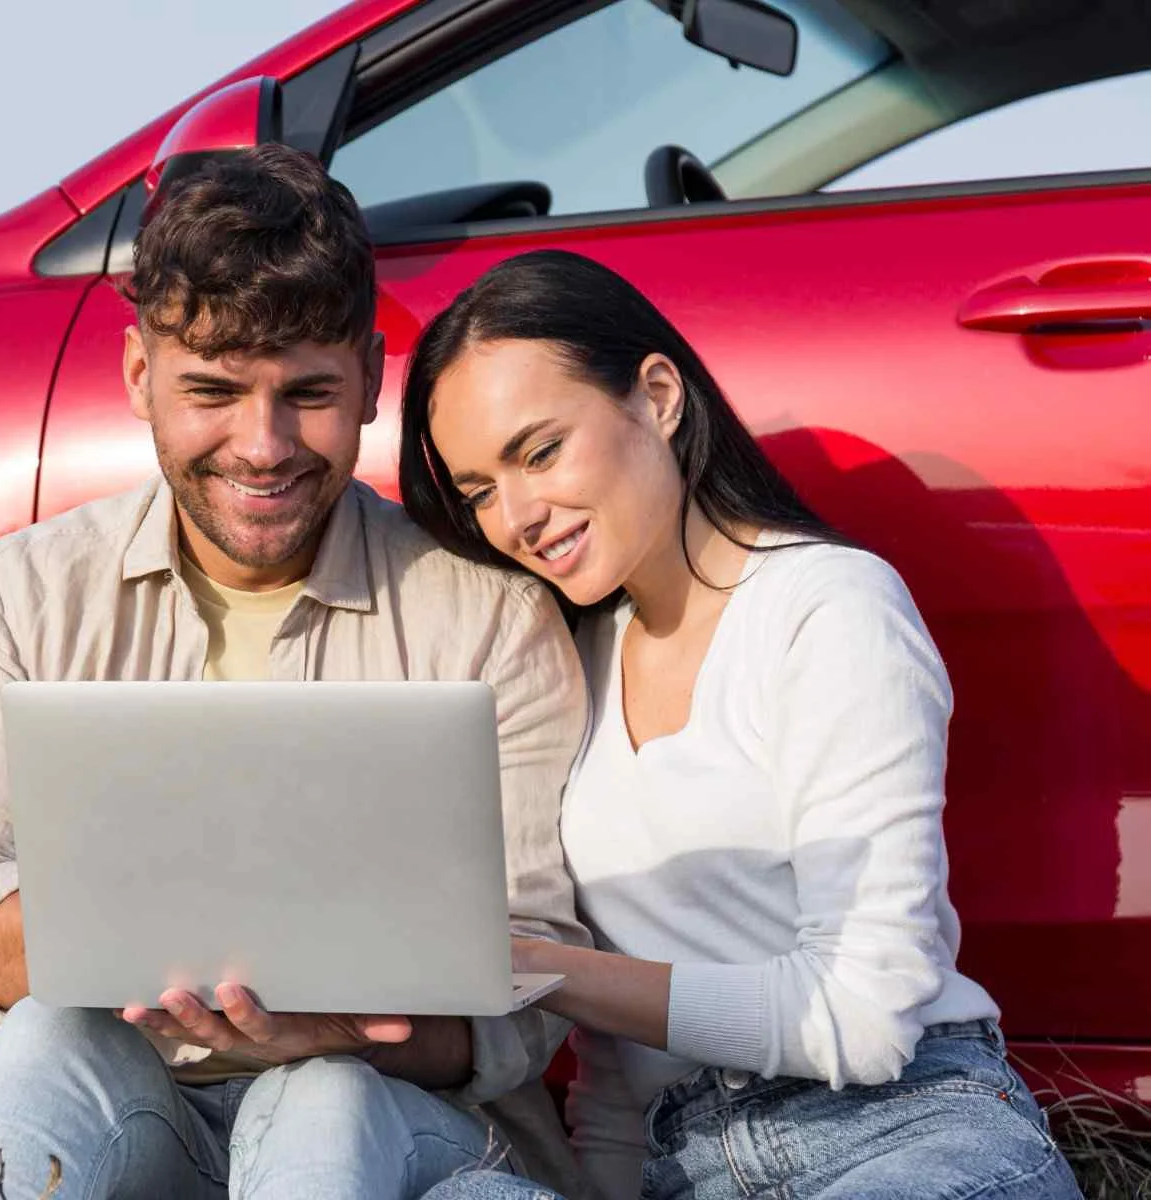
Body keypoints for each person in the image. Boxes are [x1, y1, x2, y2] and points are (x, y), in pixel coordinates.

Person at [0, 147, 593, 1200]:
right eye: (212, 391)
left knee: (323, 1099)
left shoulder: (489, 615)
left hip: (401, 1118)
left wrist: (331, 1027)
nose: (262, 447)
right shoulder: (18, 593)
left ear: (372, 381)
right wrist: (137, 947)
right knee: (37, 1049)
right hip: (131, 1089)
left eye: (307, 393)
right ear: (137, 377)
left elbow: (537, 971)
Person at [397, 249, 1082, 1200]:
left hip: (904, 1133)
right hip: (692, 1167)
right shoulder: (571, 661)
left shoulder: (827, 607)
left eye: (540, 451)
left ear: (659, 396)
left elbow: (866, 1015)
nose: (514, 516)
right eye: (476, 490)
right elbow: (612, 1079)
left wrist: (540, 969)